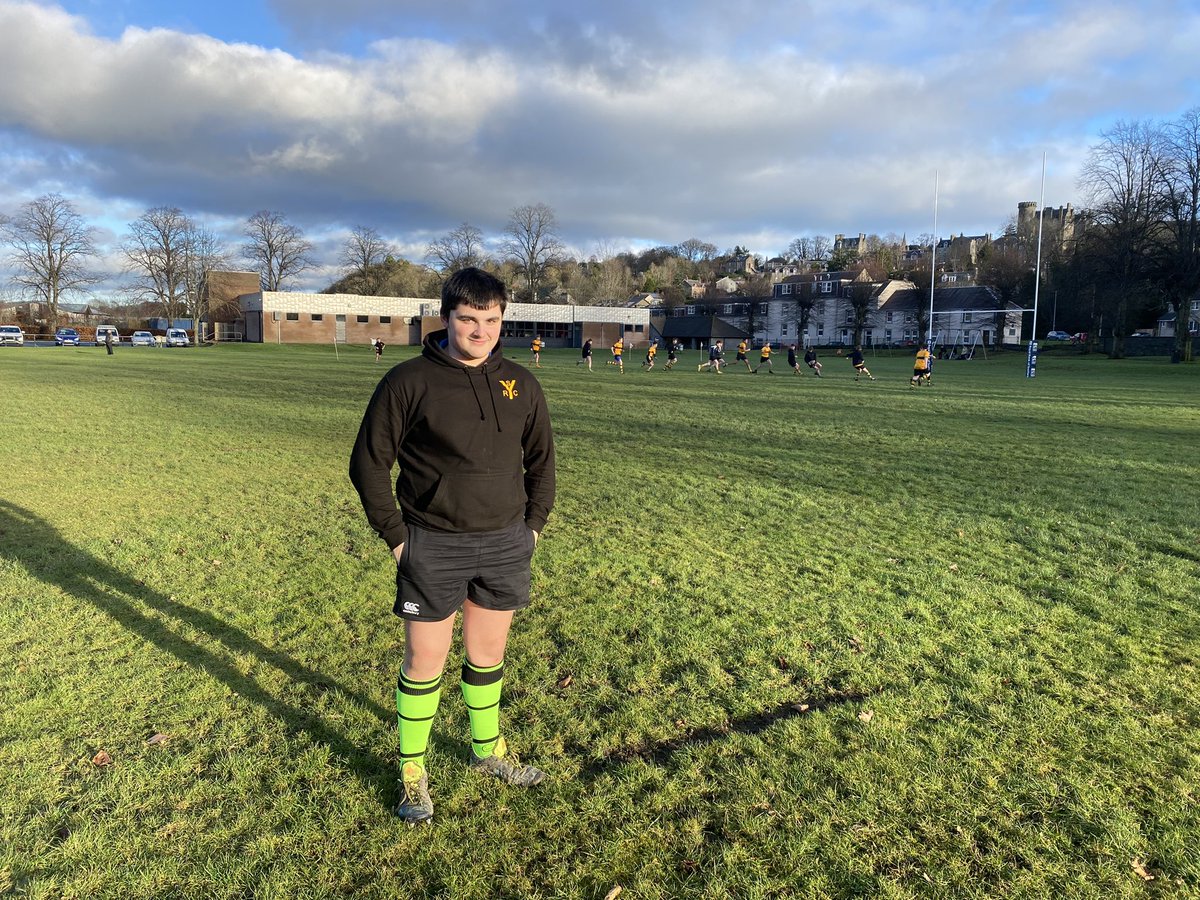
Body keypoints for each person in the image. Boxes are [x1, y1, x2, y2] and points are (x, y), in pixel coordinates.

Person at [349, 267, 556, 826]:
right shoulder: (407, 381)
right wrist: (398, 540)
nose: (480, 331)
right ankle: (412, 769)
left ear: (503, 319)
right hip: (432, 544)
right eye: (468, 319)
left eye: (491, 320)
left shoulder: (521, 383)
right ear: (446, 318)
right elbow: (368, 464)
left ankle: (488, 751)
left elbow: (543, 463)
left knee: (488, 656)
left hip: (505, 543)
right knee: (425, 660)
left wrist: (532, 528)